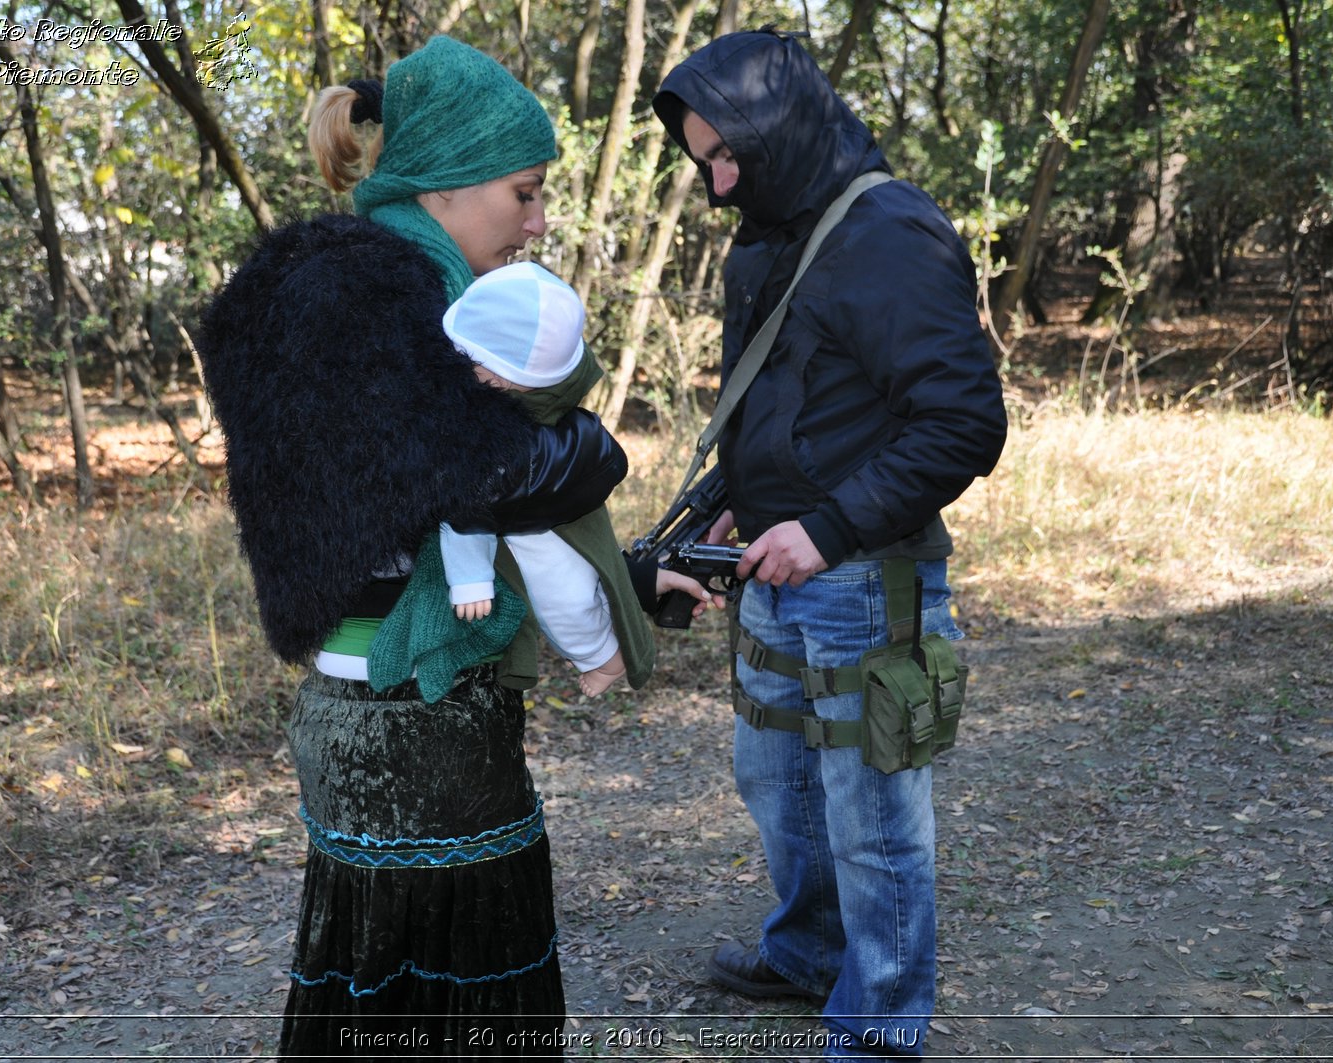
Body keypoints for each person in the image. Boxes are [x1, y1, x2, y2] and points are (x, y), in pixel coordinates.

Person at [196, 36, 712, 1057]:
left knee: (394, 986)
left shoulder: (371, 288)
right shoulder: (359, 297)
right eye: (522, 193)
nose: (538, 221)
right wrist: (586, 438)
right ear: (441, 186)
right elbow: (492, 477)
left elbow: (446, 501)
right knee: (458, 991)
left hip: (392, 699)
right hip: (405, 711)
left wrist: (633, 574)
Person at [653, 30, 1008, 1058]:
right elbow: (780, 406)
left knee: (872, 815)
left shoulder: (888, 229)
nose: (715, 185)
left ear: (782, 131)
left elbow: (963, 424)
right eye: (701, 160)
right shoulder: (769, 229)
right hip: (774, 563)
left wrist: (825, 526)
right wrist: (729, 499)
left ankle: (881, 1019)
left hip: (860, 575)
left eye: (728, 156)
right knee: (776, 785)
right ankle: (808, 952)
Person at [438, 261, 634, 698]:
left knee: (564, 595)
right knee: (575, 585)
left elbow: (469, 503)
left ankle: (602, 655)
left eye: (473, 363)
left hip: (539, 523)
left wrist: (468, 578)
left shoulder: (490, 420)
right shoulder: (503, 396)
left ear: (506, 381)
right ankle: (601, 651)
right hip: (554, 509)